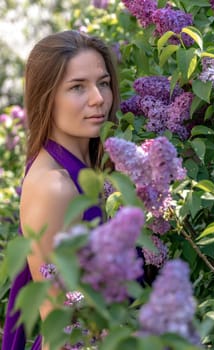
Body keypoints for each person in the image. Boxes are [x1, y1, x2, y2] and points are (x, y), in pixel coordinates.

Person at [2, 29, 120, 350]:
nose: (98, 98)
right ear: (47, 96)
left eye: (104, 83)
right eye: (77, 87)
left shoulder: (90, 167)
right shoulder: (55, 185)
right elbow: (61, 307)